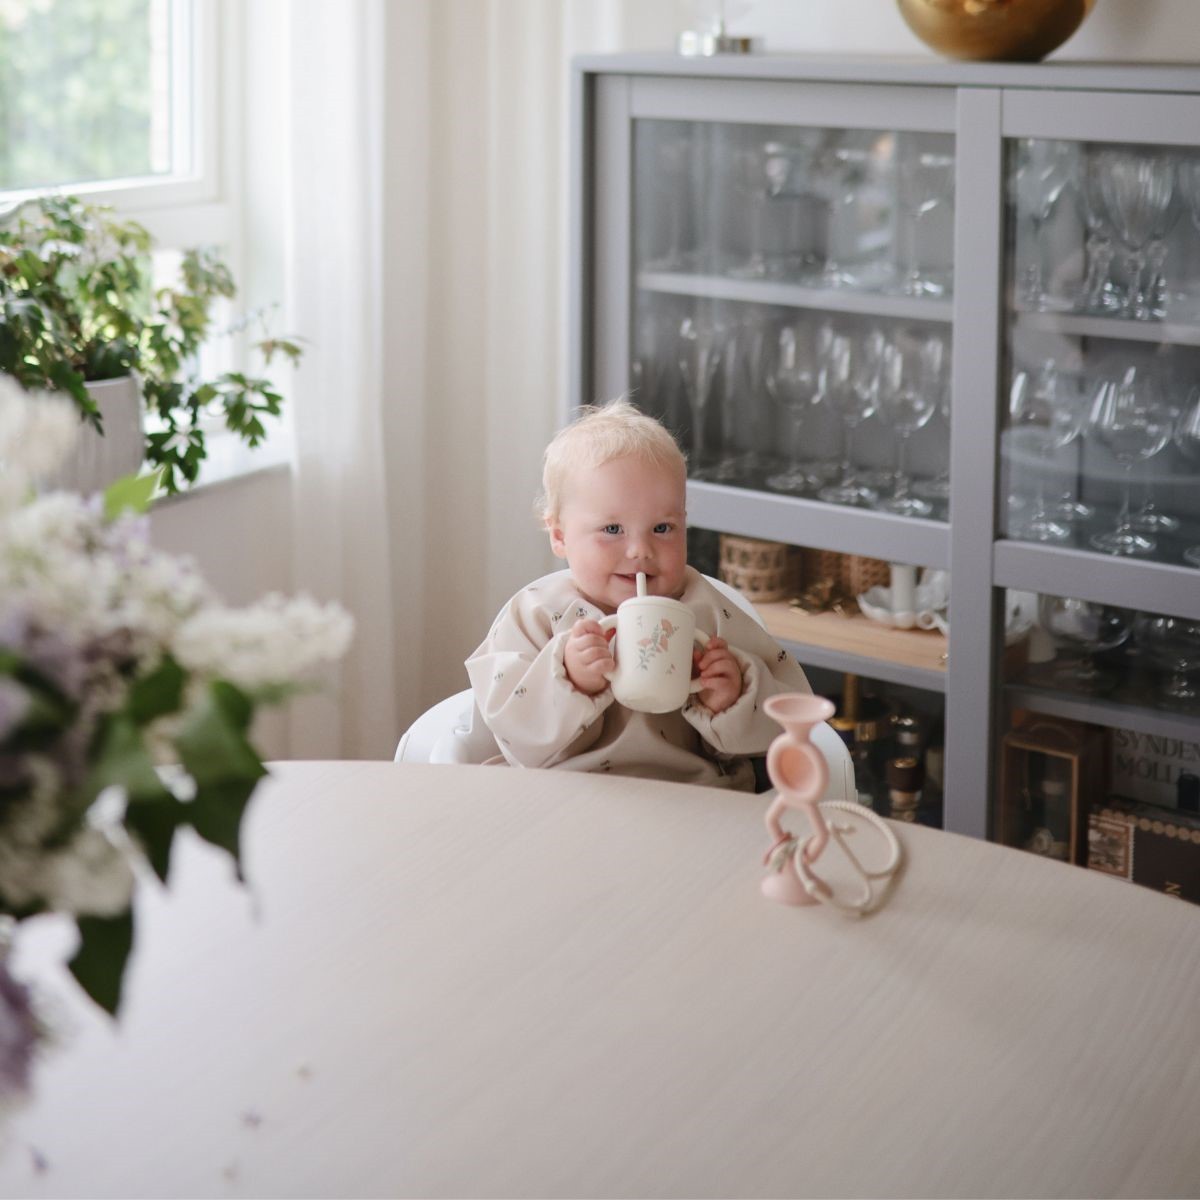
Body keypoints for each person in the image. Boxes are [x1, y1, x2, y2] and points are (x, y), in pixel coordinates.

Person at [465, 399, 812, 790]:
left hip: (693, 796)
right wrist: (570, 680)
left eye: (662, 528)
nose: (640, 550)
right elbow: (513, 734)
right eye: (613, 530)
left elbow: (788, 717)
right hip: (565, 794)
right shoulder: (537, 612)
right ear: (560, 535)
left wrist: (732, 698)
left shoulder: (710, 611)